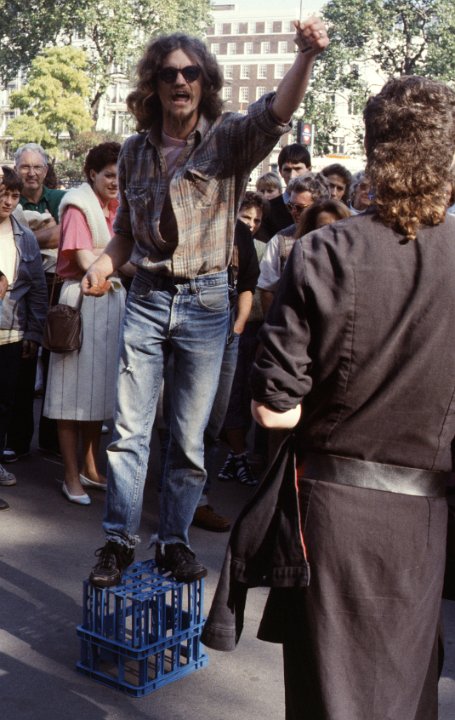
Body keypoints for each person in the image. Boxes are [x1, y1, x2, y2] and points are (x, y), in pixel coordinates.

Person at [84, 20, 329, 588]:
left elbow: (277, 112)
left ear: (205, 82)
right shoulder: (133, 151)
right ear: (153, 84)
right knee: (129, 432)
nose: (180, 82)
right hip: (147, 297)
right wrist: (102, 264)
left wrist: (306, 57)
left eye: (190, 73)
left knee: (189, 438)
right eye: (169, 73)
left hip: (206, 300)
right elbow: (124, 233)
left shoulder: (229, 138)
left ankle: (174, 541)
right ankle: (118, 541)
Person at [250, 75, 455, 720]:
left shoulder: (322, 250)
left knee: (324, 693)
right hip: (422, 520)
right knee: (404, 691)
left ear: (374, 152)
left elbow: (274, 407)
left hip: (329, 513)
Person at [43, 142, 126, 505]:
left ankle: (91, 468)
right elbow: (82, 259)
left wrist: (117, 263)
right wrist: (119, 262)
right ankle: (70, 475)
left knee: (99, 392)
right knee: (70, 394)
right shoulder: (78, 205)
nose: (115, 181)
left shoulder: (118, 207)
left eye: (120, 175)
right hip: (80, 299)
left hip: (110, 300)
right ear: (92, 174)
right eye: (109, 174)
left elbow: (123, 258)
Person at [9, 143, 66, 460]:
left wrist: (27, 234)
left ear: (46, 170)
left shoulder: (60, 199)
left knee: (58, 363)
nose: (31, 173)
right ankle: (17, 441)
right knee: (25, 361)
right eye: (25, 167)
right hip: (23, 288)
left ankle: (51, 439)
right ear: (16, 169)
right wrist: (48, 232)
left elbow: (63, 236)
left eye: (37, 167)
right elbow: (53, 236)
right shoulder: (10, 198)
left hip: (57, 287)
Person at [0, 167, 47, 507]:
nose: (7, 201)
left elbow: (37, 288)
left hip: (11, 331)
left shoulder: (24, 236)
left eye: (14, 196)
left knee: (4, 402)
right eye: (3, 194)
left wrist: (33, 331)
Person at [258, 172, 330, 314]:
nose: (294, 212)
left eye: (301, 208)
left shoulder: (336, 236)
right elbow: (267, 290)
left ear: (319, 206)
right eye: (291, 206)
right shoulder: (280, 241)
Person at [259, 143, 312, 241]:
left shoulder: (319, 207)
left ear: (309, 169)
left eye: (297, 169)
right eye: (287, 170)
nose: (292, 176)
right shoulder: (268, 210)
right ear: (280, 172)